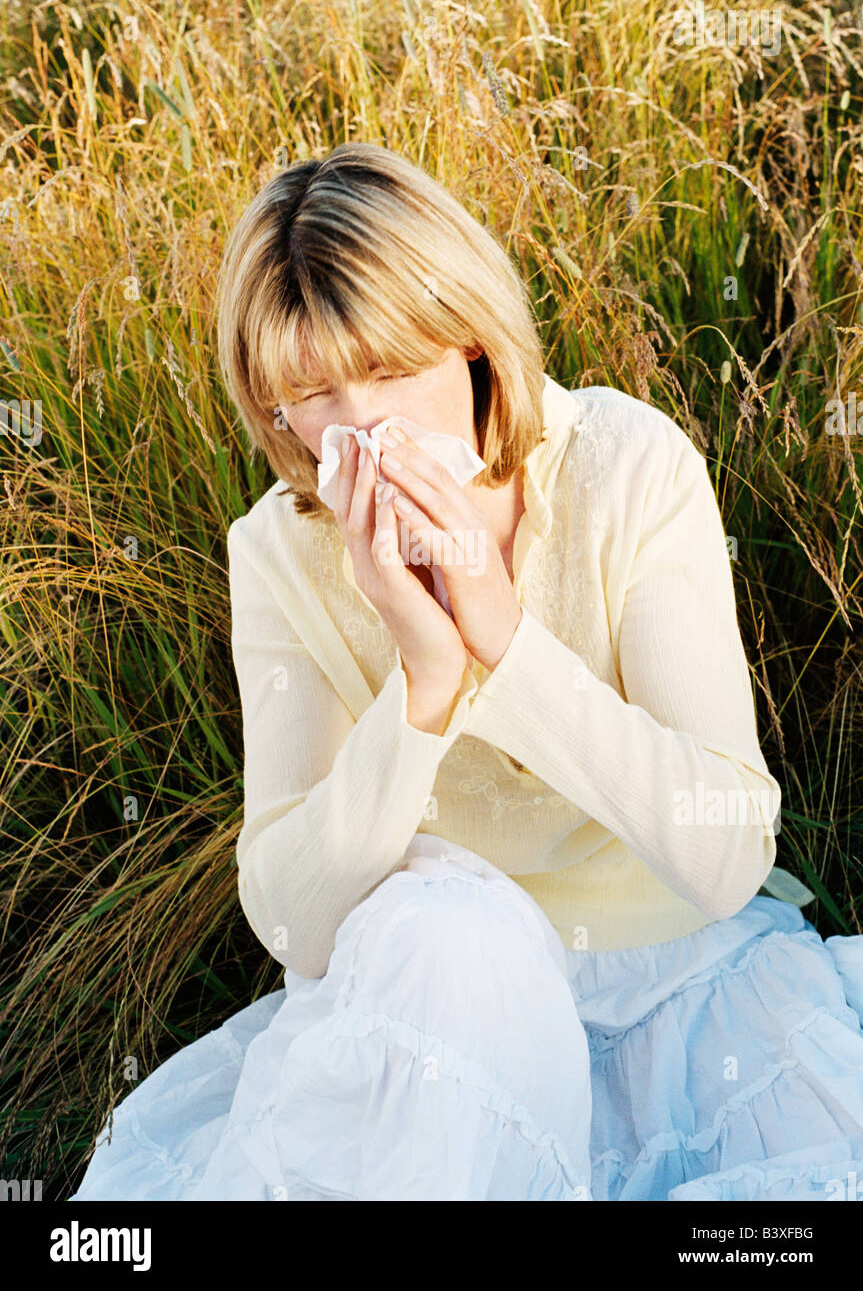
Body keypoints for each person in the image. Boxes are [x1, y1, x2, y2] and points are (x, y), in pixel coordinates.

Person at [70, 142, 863, 1202]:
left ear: (475, 345)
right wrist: (424, 680)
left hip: (676, 980)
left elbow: (722, 858)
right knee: (454, 925)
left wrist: (505, 640)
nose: (359, 428)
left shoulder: (626, 465)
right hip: (438, 1001)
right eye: (311, 391)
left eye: (394, 368)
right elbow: (296, 922)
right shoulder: (275, 551)